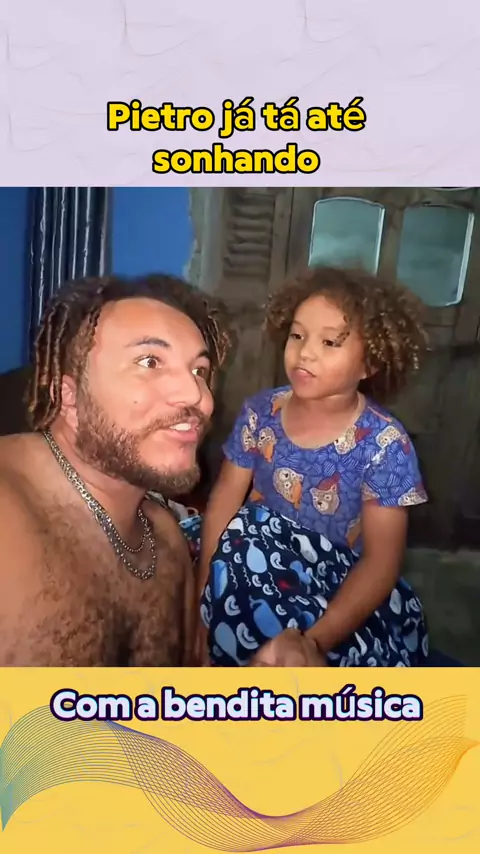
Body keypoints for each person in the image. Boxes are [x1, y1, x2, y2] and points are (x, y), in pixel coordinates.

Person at [192, 266, 429, 667]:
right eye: (297, 335)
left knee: (249, 533)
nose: (305, 352)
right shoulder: (261, 413)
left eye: (330, 342)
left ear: (370, 364)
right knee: (197, 539)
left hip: (336, 584)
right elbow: (224, 502)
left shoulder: (384, 444)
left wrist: (313, 643)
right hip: (256, 559)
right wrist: (202, 602)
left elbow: (380, 564)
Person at [0, 273, 229, 666]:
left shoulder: (168, 544)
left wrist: (269, 684)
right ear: (68, 396)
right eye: (150, 362)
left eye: (199, 371)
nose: (198, 397)